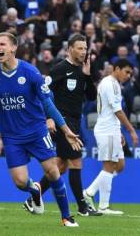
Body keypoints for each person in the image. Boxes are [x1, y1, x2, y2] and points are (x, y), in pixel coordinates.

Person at [0, 32, 83, 227]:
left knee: (52, 171)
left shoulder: (30, 72)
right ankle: (35, 191)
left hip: (37, 132)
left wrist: (65, 130)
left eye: (2, 44)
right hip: (12, 137)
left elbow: (48, 104)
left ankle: (66, 216)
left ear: (13, 48)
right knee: (21, 182)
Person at [24, 34, 100, 216]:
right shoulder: (59, 69)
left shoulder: (83, 70)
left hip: (75, 120)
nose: (83, 52)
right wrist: (47, 118)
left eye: (85, 48)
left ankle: (33, 197)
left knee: (61, 165)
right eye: (80, 48)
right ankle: (83, 207)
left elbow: (91, 97)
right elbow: (42, 93)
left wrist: (88, 76)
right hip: (62, 120)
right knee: (75, 161)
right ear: (70, 49)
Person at [83, 59, 138, 215]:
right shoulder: (110, 84)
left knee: (119, 165)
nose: (128, 76)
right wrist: (131, 130)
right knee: (109, 166)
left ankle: (89, 192)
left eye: (130, 73)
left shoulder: (113, 84)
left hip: (112, 129)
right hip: (107, 130)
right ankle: (102, 205)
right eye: (126, 72)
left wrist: (119, 131)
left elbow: (111, 110)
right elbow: (117, 111)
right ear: (117, 68)